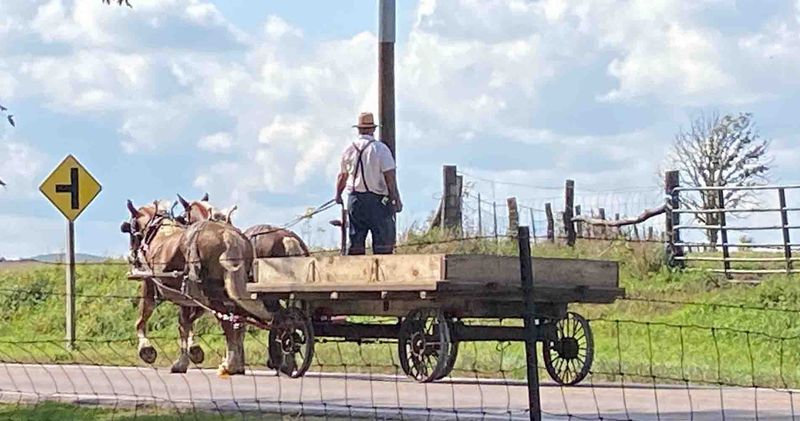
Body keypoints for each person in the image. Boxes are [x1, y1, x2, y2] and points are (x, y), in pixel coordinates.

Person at [335, 112, 402, 255]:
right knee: (382, 242)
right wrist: (395, 198)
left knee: (356, 242)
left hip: (355, 200)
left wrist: (338, 195)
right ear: (373, 130)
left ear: (359, 129)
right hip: (377, 201)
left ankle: (355, 273)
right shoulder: (380, 149)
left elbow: (342, 175)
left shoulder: (349, 149)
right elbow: (389, 176)